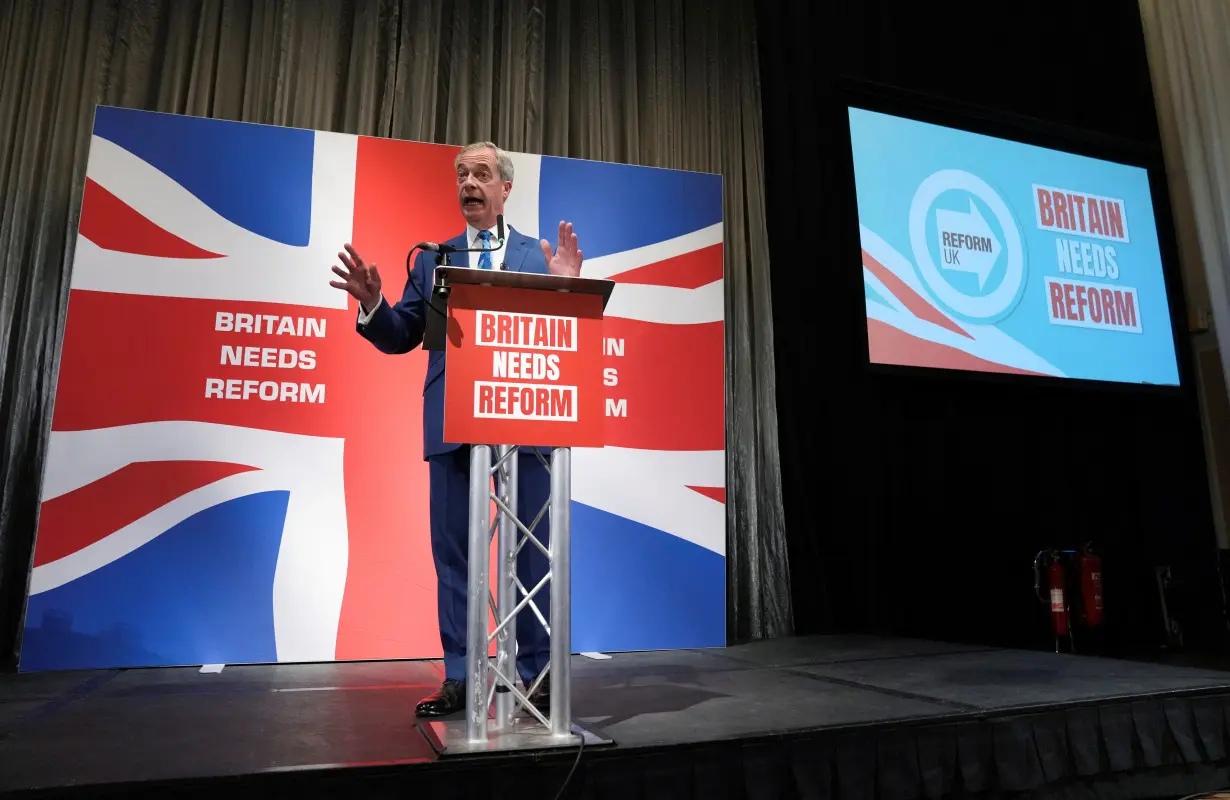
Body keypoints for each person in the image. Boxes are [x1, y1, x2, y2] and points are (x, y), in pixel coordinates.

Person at [329, 141, 583, 717]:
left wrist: (567, 289)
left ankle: (536, 673)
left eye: (482, 174)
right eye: (462, 174)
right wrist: (374, 305)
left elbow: (560, 340)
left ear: (504, 189)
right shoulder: (432, 258)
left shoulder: (534, 255)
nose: (469, 182)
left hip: (524, 420)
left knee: (531, 551)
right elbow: (402, 334)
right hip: (451, 421)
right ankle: (463, 677)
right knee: (454, 554)